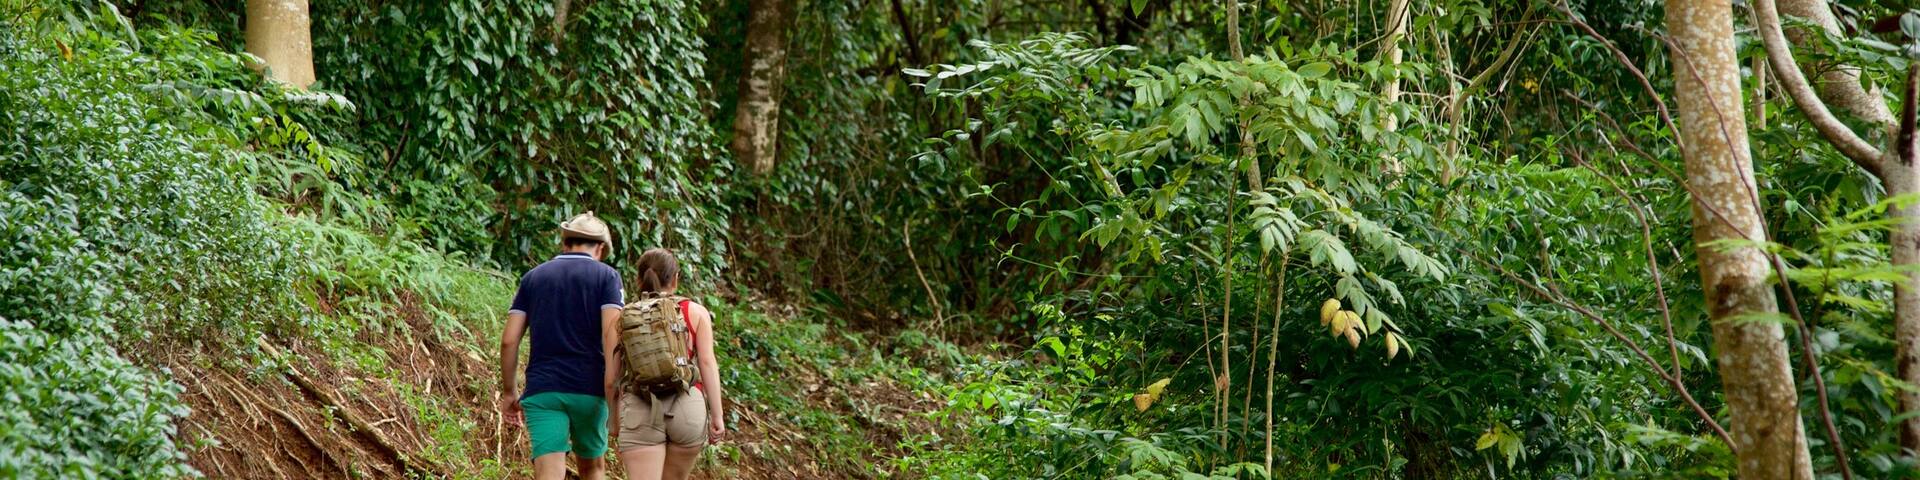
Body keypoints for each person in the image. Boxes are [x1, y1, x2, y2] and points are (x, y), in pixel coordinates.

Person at [496, 212, 625, 480]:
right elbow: (611, 336)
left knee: (548, 472)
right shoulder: (607, 277)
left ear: (565, 243)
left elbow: (509, 340)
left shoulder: (533, 278)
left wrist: (509, 392)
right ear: (600, 248)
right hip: (590, 389)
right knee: (593, 468)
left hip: (544, 389)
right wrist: (612, 390)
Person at [615, 248, 726, 480]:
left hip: (640, 408)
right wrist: (717, 416)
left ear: (639, 279)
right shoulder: (696, 312)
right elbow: (707, 362)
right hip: (687, 408)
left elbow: (612, 378)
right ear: (675, 278)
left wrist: (613, 418)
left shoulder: (623, 317)